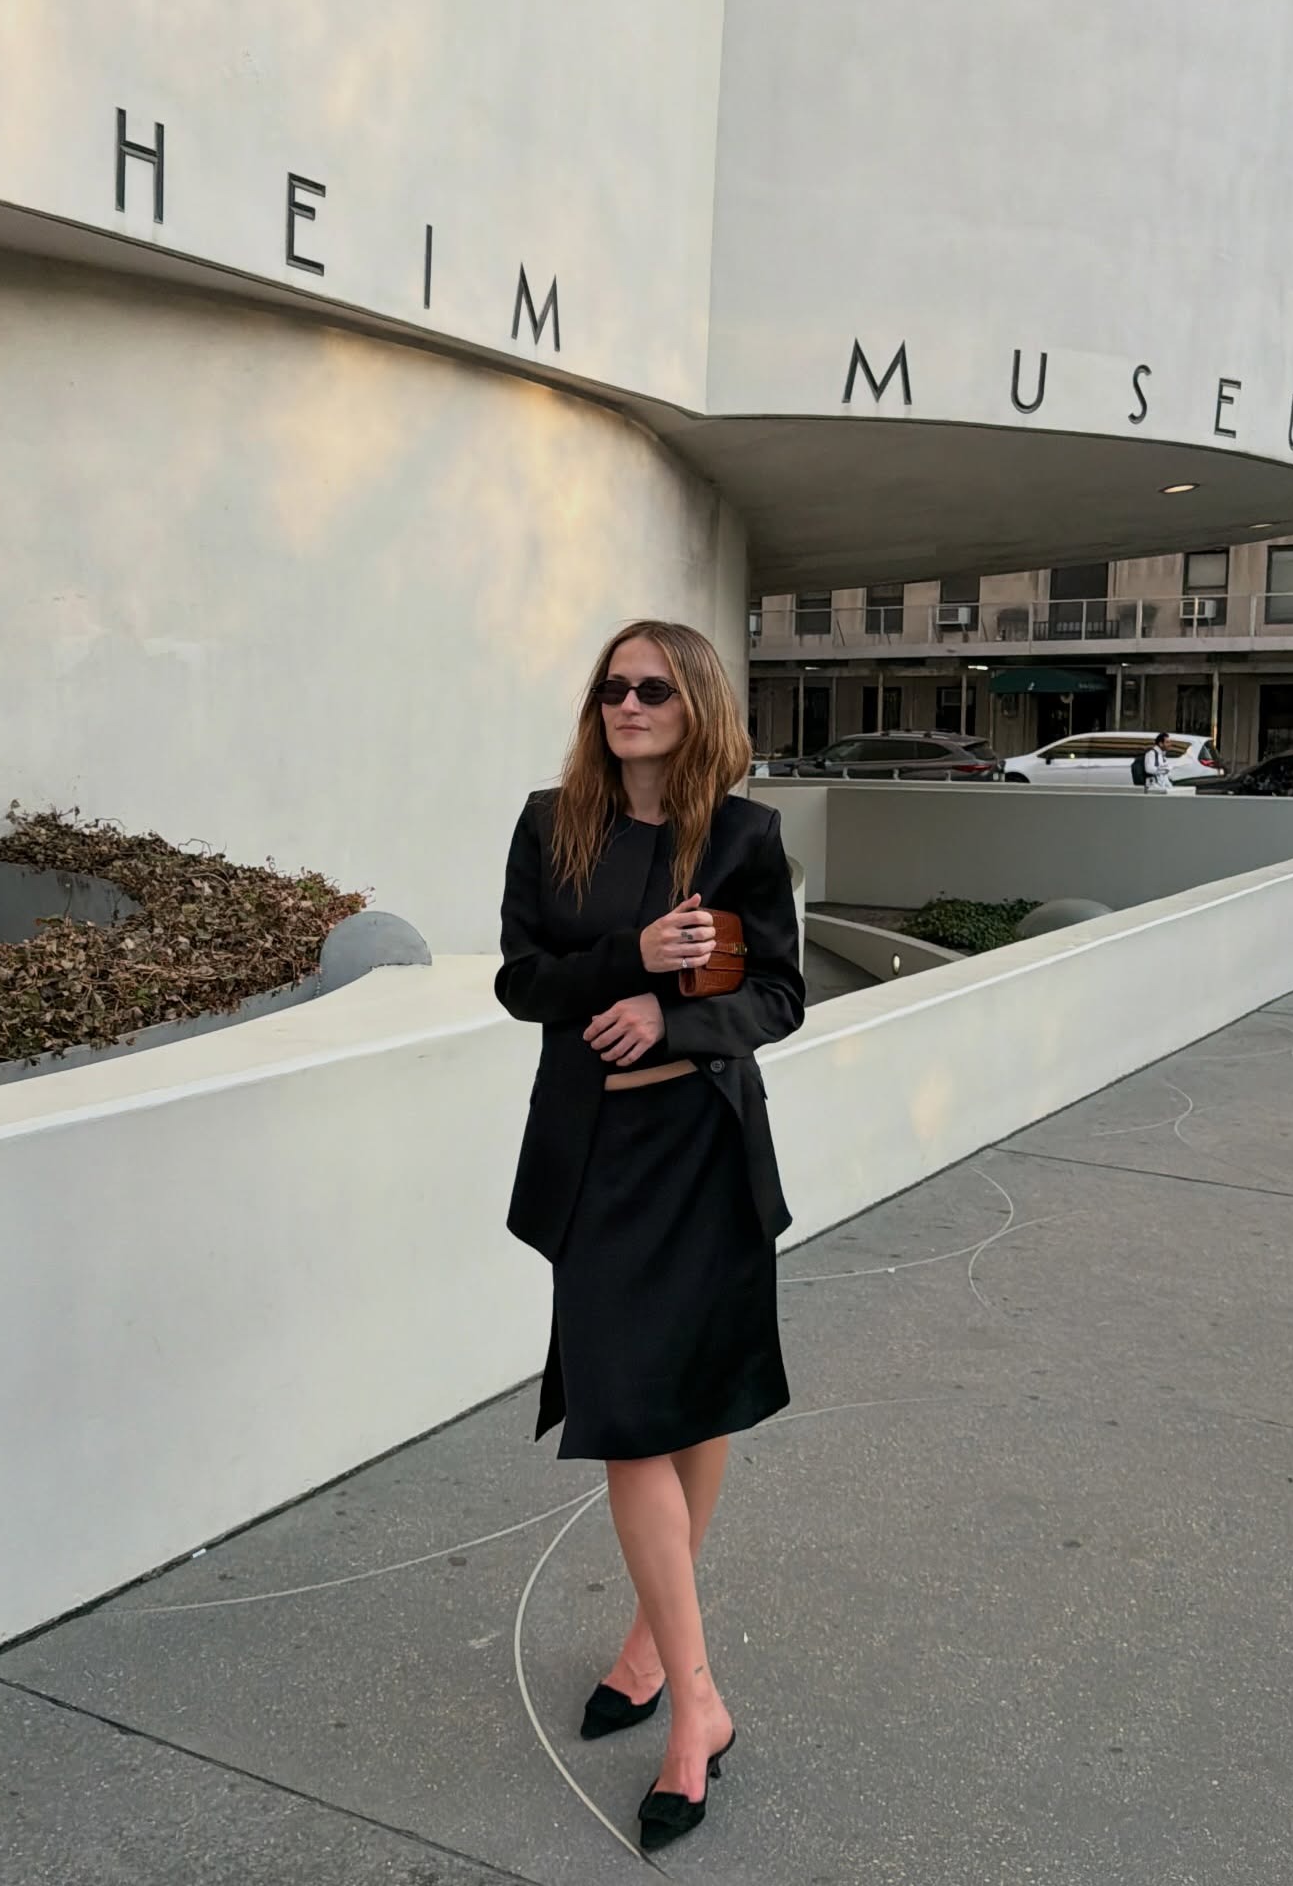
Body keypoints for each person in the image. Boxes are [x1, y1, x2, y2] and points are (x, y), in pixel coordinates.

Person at [494, 618, 804, 1852]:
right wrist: (629, 960)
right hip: (599, 1166)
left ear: (696, 705)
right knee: (628, 1419)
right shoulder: (549, 822)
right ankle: (703, 1703)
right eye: (613, 687)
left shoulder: (741, 837)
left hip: (705, 1156)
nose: (627, 703)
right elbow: (523, 982)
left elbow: (778, 994)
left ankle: (650, 1654)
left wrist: (672, 1022)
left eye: (653, 688)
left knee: (699, 1402)